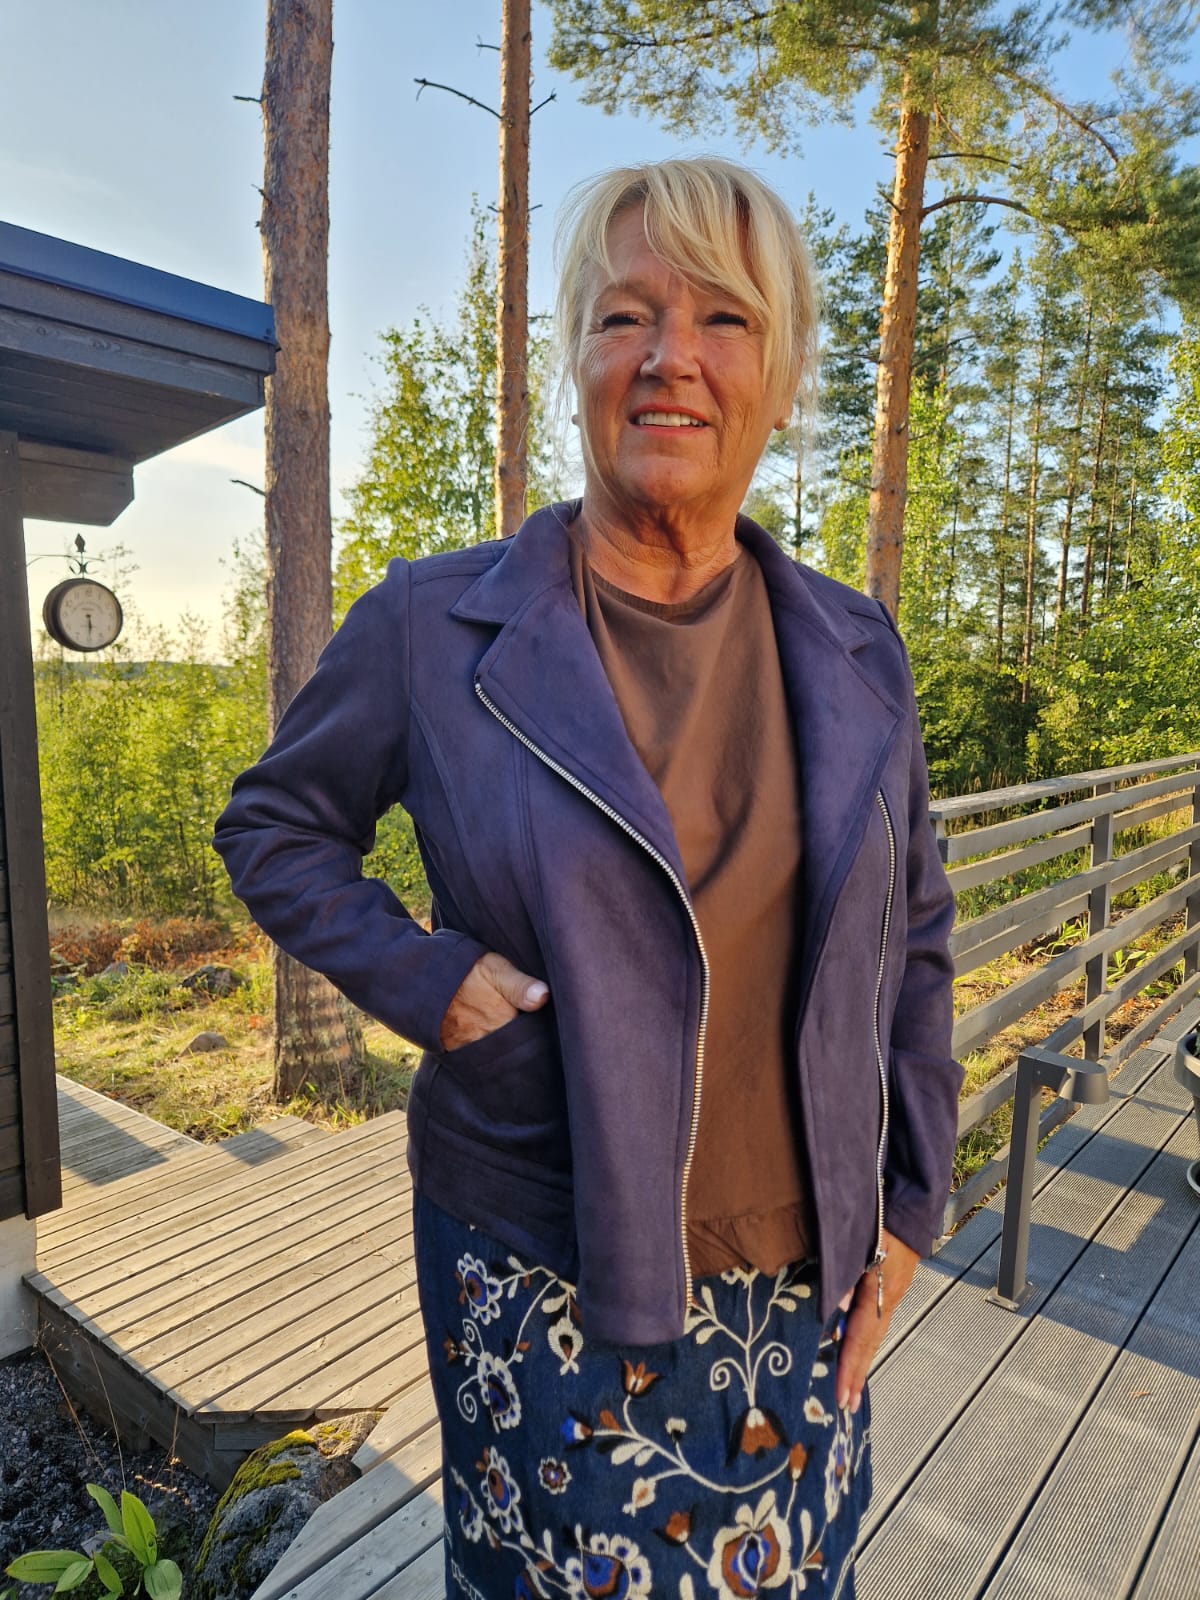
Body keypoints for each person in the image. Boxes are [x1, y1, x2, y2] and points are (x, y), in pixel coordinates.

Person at [214, 156, 962, 1600]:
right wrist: (431, 981)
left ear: (785, 379)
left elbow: (914, 930)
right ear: (577, 360)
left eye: (725, 319)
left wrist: (911, 1206)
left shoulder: (856, 648)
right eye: (627, 316)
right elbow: (276, 824)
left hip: (805, 1274)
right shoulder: (435, 624)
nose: (671, 356)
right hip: (539, 1255)